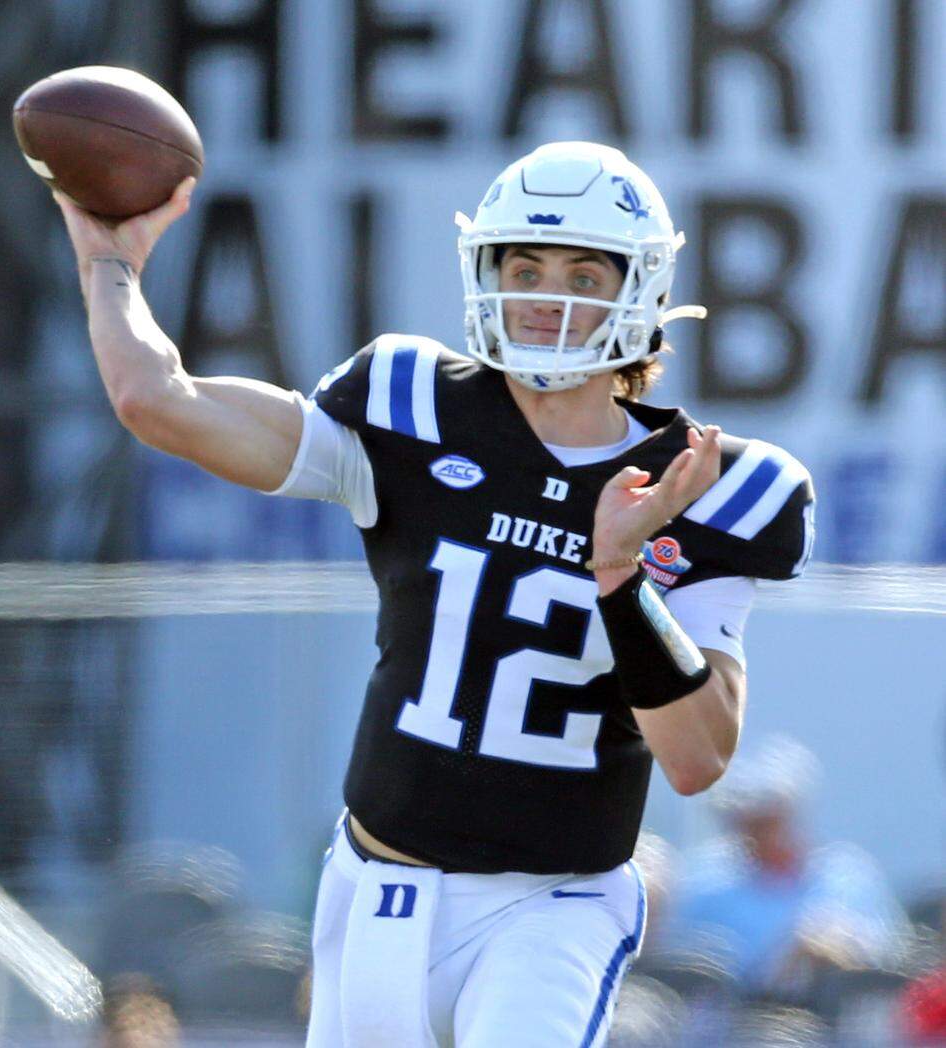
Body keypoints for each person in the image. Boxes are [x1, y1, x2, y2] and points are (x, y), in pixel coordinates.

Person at [54, 141, 815, 1047]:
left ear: (642, 290)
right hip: (381, 887)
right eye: (525, 265)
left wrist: (621, 578)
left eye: (582, 269)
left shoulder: (708, 484)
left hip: (554, 903)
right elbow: (158, 400)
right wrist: (109, 262)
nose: (546, 294)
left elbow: (696, 759)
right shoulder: (410, 407)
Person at [668, 735, 910, 1000]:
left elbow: (892, 959)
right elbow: (692, 977)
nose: (758, 834)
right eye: (748, 821)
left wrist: (842, 949)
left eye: (770, 820)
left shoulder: (851, 875)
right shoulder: (707, 887)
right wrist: (787, 960)